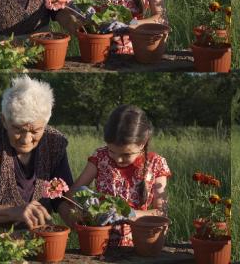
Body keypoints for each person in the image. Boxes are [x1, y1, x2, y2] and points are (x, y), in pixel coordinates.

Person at [0, 76, 74, 241]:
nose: (26, 139)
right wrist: (14, 211)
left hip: (36, 232)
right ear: (4, 120)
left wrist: (80, 223)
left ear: (45, 124)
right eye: (17, 129)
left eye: (35, 131)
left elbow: (60, 197)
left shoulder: (55, 142)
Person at [71, 105, 171, 246]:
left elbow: (161, 212)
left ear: (143, 143)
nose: (118, 159)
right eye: (112, 151)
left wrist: (129, 213)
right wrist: (87, 205)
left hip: (139, 244)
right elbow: (74, 192)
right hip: (100, 242)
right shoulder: (100, 157)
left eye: (126, 154)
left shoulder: (156, 163)